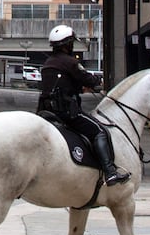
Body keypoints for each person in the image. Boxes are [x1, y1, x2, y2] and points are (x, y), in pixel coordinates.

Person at [36, 24, 131, 186]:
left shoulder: (48, 63)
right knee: (100, 131)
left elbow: (62, 85)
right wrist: (96, 83)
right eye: (71, 43)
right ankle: (110, 172)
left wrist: (79, 88)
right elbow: (88, 78)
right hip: (66, 112)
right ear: (67, 45)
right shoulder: (70, 62)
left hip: (45, 111)